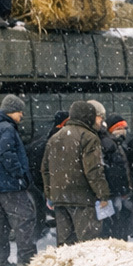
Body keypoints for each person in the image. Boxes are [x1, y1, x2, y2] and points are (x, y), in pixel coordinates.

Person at [0, 94, 37, 266]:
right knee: (25, 218)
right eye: (19, 111)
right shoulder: (7, 129)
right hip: (10, 183)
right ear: (11, 111)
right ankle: (27, 260)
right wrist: (19, 174)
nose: (22, 115)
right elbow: (6, 153)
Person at [42, 101, 109, 245]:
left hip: (60, 198)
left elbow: (45, 169)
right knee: (88, 244)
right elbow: (93, 170)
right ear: (89, 117)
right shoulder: (89, 137)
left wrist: (50, 194)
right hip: (83, 198)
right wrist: (103, 194)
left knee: (65, 245)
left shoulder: (55, 137)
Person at [88, 101, 129, 239]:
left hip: (100, 194)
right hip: (107, 192)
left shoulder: (101, 140)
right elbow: (117, 169)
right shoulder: (106, 141)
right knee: (112, 227)